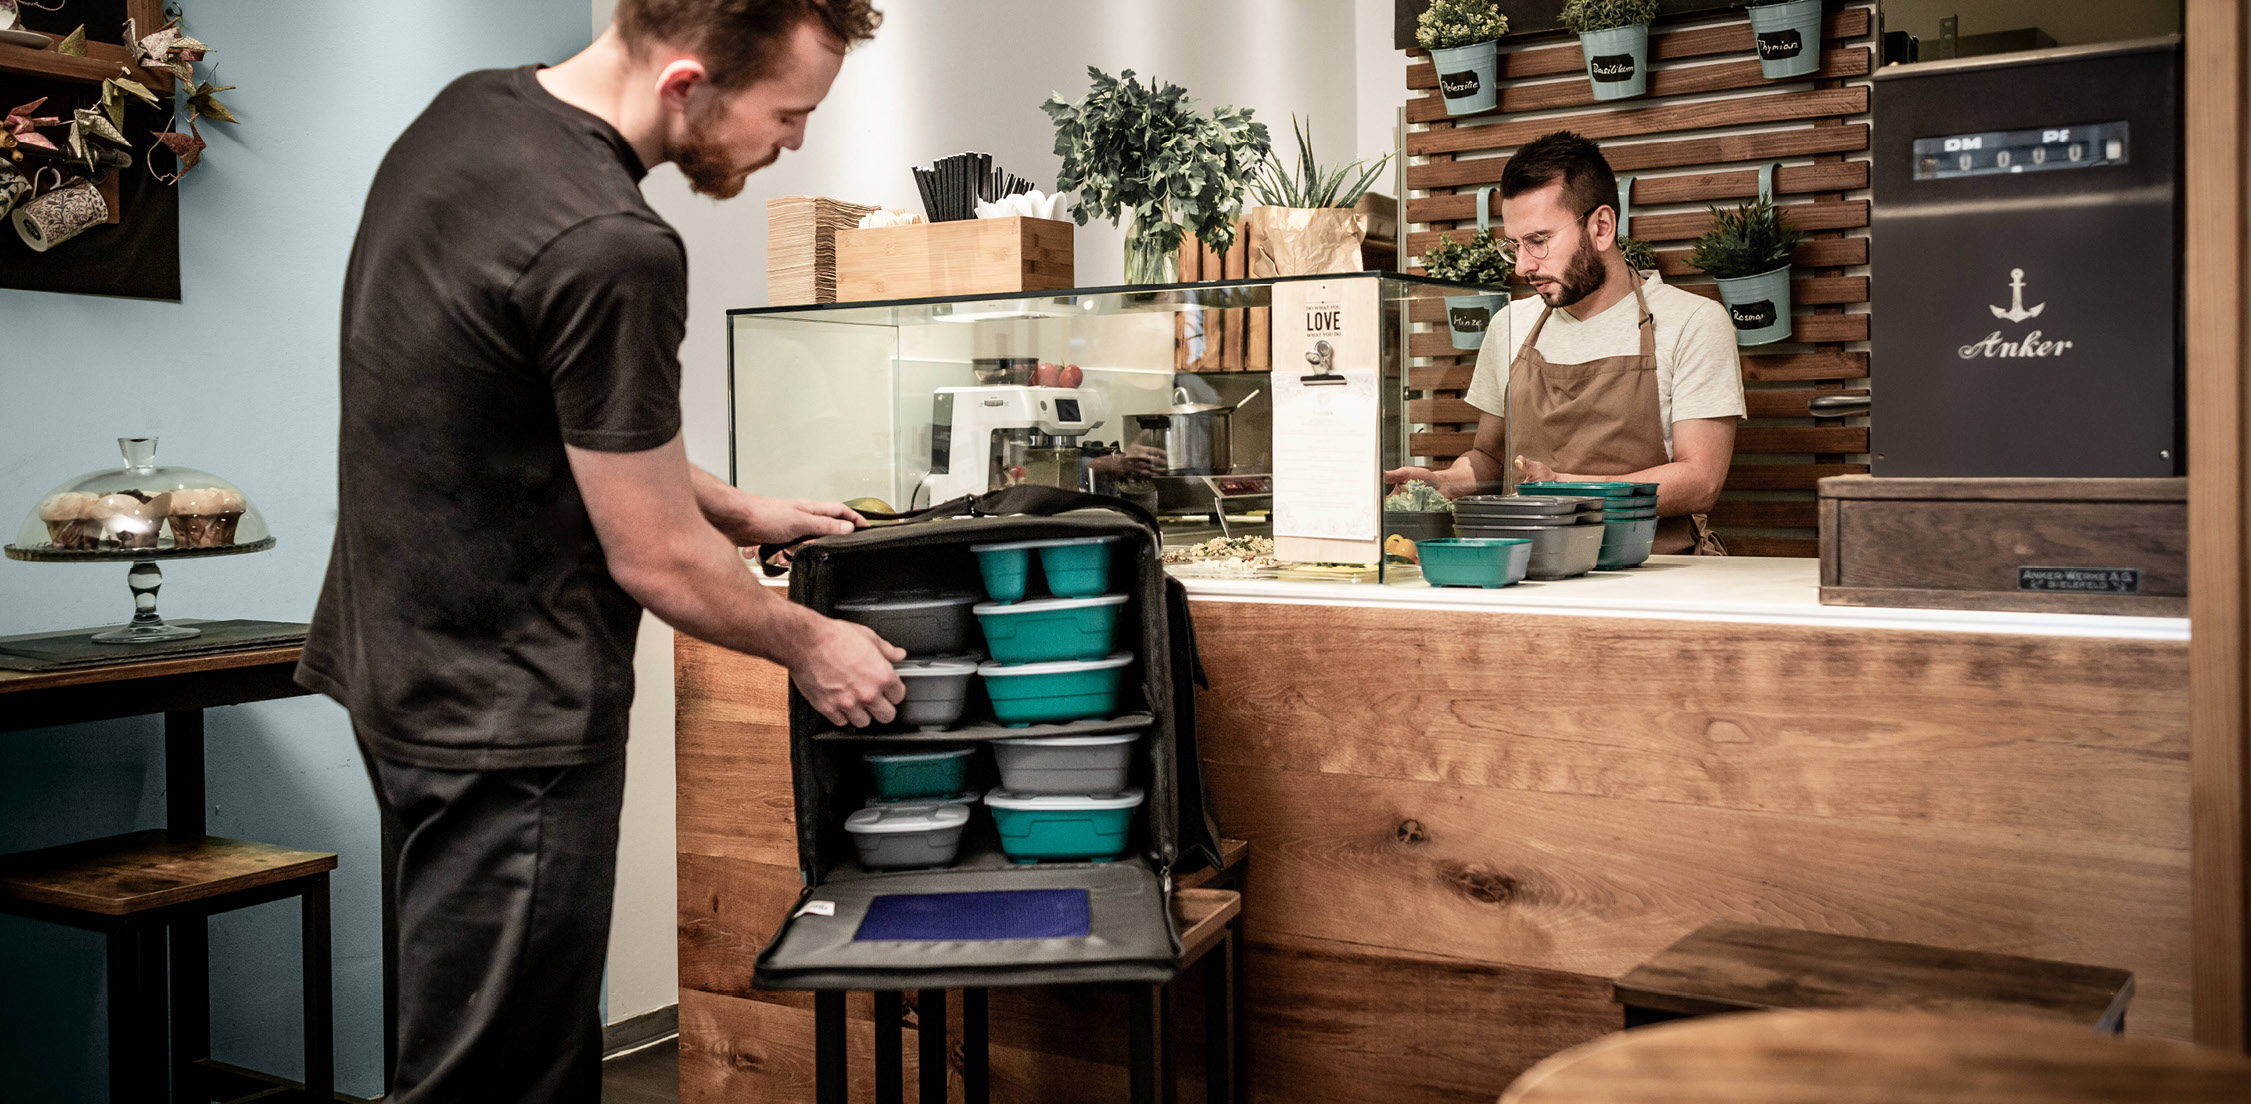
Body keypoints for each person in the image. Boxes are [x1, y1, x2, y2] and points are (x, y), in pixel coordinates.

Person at [295, 2, 894, 1099]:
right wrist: (814, 645)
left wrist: (740, 510)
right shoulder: (613, 244)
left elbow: (539, 419)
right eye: (788, 114)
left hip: (397, 663)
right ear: (686, 84)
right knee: (500, 1079)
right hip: (507, 709)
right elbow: (657, 559)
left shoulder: (469, 116)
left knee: (502, 1043)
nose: (796, 141)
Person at [1387, 130, 1745, 555]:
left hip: (1656, 568)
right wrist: (1445, 483)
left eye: (1538, 241)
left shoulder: (1693, 322)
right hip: (1530, 569)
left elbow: (1701, 481)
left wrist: (1566, 492)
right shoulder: (1509, 324)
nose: (1522, 266)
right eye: (1514, 245)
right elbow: (1491, 458)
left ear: (1601, 227)